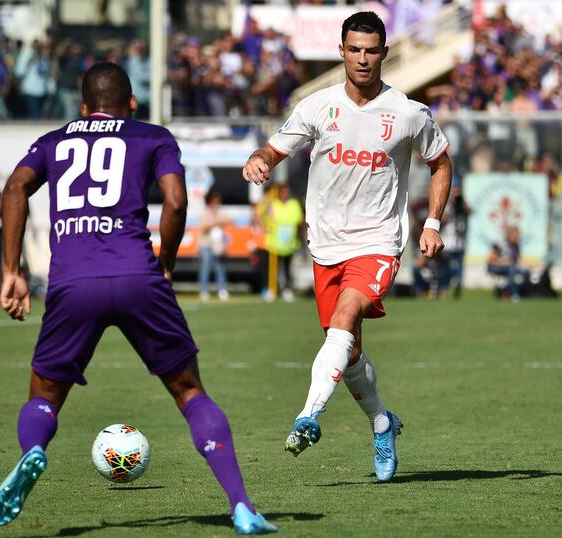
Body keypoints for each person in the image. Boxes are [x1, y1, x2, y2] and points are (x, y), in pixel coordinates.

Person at [0, 62, 276, 535]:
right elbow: (177, 201)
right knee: (189, 392)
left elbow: (16, 187)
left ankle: (34, 451)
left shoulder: (54, 140)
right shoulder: (151, 136)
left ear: (83, 108)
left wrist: (11, 269)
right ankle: (242, 507)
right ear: (131, 105)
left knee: (44, 395)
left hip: (72, 282)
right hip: (137, 276)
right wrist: (165, 262)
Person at [242, 11, 452, 482]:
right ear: (341, 51)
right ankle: (382, 422)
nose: (362, 58)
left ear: (384, 53)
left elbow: (441, 164)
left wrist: (433, 222)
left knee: (345, 315)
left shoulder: (408, 113)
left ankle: (307, 416)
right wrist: (258, 161)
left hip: (378, 241)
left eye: (371, 50)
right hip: (325, 245)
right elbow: (274, 150)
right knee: (348, 350)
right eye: (354, 49)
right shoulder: (317, 106)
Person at [261, 183, 303, 302]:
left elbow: (298, 219)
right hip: (275, 243)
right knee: (273, 269)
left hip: (289, 243)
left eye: (287, 192)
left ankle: (287, 289)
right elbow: (265, 218)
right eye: (283, 192)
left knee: (287, 268)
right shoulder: (273, 205)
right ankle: (271, 290)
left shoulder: (293, 204)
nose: (285, 194)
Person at [198, 188, 232, 301]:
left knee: (220, 268)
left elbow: (230, 220)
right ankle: (204, 291)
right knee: (205, 268)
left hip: (218, 246)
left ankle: (222, 290)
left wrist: (220, 221)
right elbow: (203, 228)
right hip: (206, 245)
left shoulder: (219, 213)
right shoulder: (204, 214)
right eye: (215, 201)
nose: (217, 203)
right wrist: (214, 223)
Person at [486, 226, 530, 302]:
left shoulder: (515, 245)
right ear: (509, 234)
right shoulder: (500, 244)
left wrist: (528, 265)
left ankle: (517, 292)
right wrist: (503, 262)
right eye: (515, 235)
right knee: (511, 269)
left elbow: (519, 259)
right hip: (495, 267)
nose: (516, 238)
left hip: (510, 267)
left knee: (526, 272)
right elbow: (491, 259)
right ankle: (513, 294)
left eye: (517, 236)